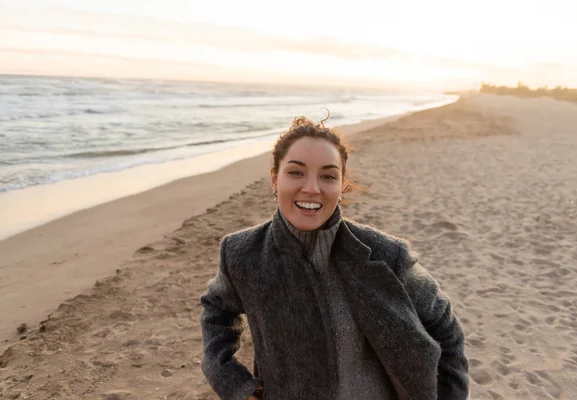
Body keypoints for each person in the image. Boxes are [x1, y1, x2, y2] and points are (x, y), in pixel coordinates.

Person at [200, 116, 469, 400]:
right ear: (273, 179)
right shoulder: (243, 253)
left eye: (328, 176)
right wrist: (234, 383)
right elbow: (216, 311)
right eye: (296, 172)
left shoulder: (387, 255)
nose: (312, 188)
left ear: (342, 186)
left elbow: (445, 326)